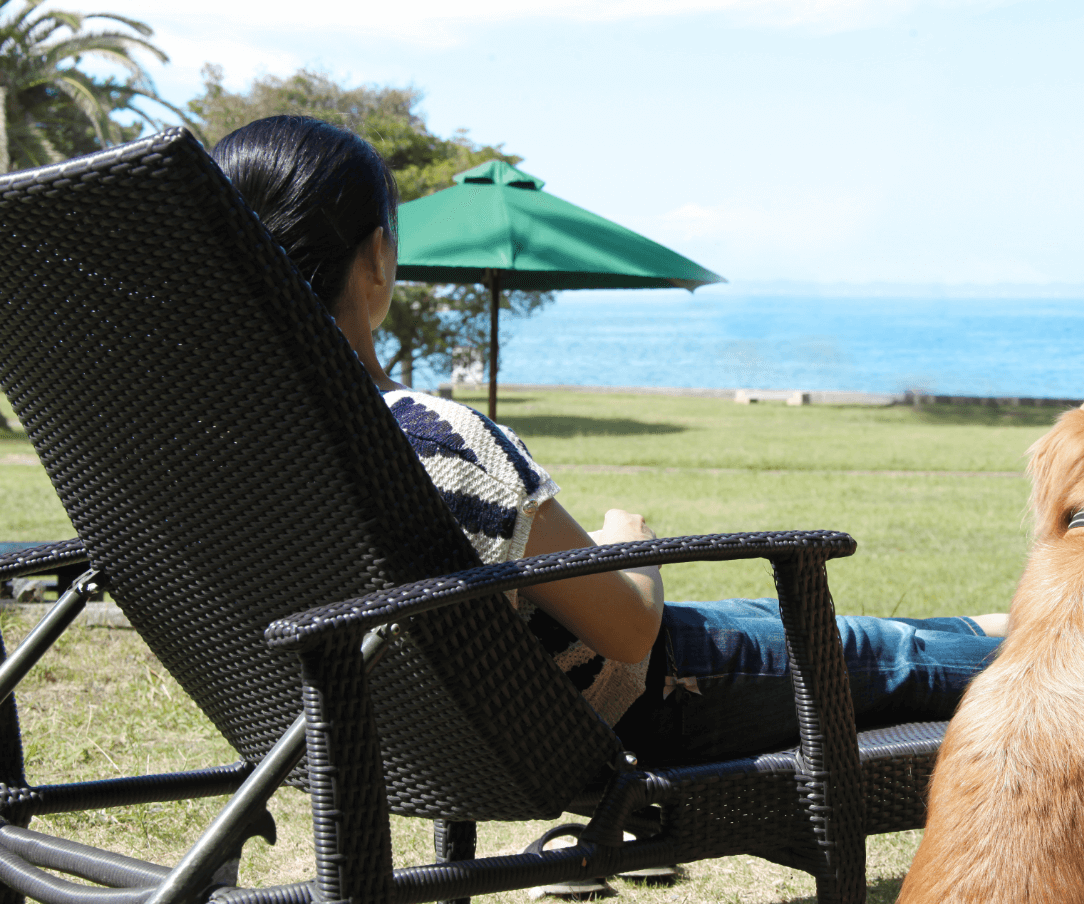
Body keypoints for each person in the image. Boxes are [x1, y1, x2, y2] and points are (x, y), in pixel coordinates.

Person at [212, 116, 1005, 764]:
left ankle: (1031, 620)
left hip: (432, 736)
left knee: (908, 635)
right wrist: (633, 544)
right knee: (906, 659)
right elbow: (628, 629)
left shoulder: (223, 453)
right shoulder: (431, 439)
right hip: (650, 699)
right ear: (379, 260)